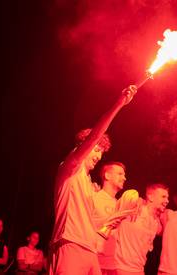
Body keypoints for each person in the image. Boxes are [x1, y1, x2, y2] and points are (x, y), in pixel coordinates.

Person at [49, 85, 138, 275]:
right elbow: (95, 135)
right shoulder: (70, 167)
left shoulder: (90, 185)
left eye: (101, 152)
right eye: (96, 150)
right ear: (84, 146)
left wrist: (116, 217)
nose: (99, 156)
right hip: (70, 243)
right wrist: (119, 104)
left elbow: (97, 225)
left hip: (90, 249)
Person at [114, 183, 169, 275]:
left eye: (167, 197)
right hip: (120, 268)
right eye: (163, 196)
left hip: (139, 270)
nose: (167, 200)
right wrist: (137, 200)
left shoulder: (156, 223)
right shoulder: (134, 209)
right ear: (150, 197)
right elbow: (120, 203)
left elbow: (168, 233)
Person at [93, 162, 127, 275]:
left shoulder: (119, 204)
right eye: (120, 174)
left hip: (112, 265)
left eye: (124, 175)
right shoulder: (94, 197)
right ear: (107, 176)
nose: (124, 178)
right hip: (95, 263)